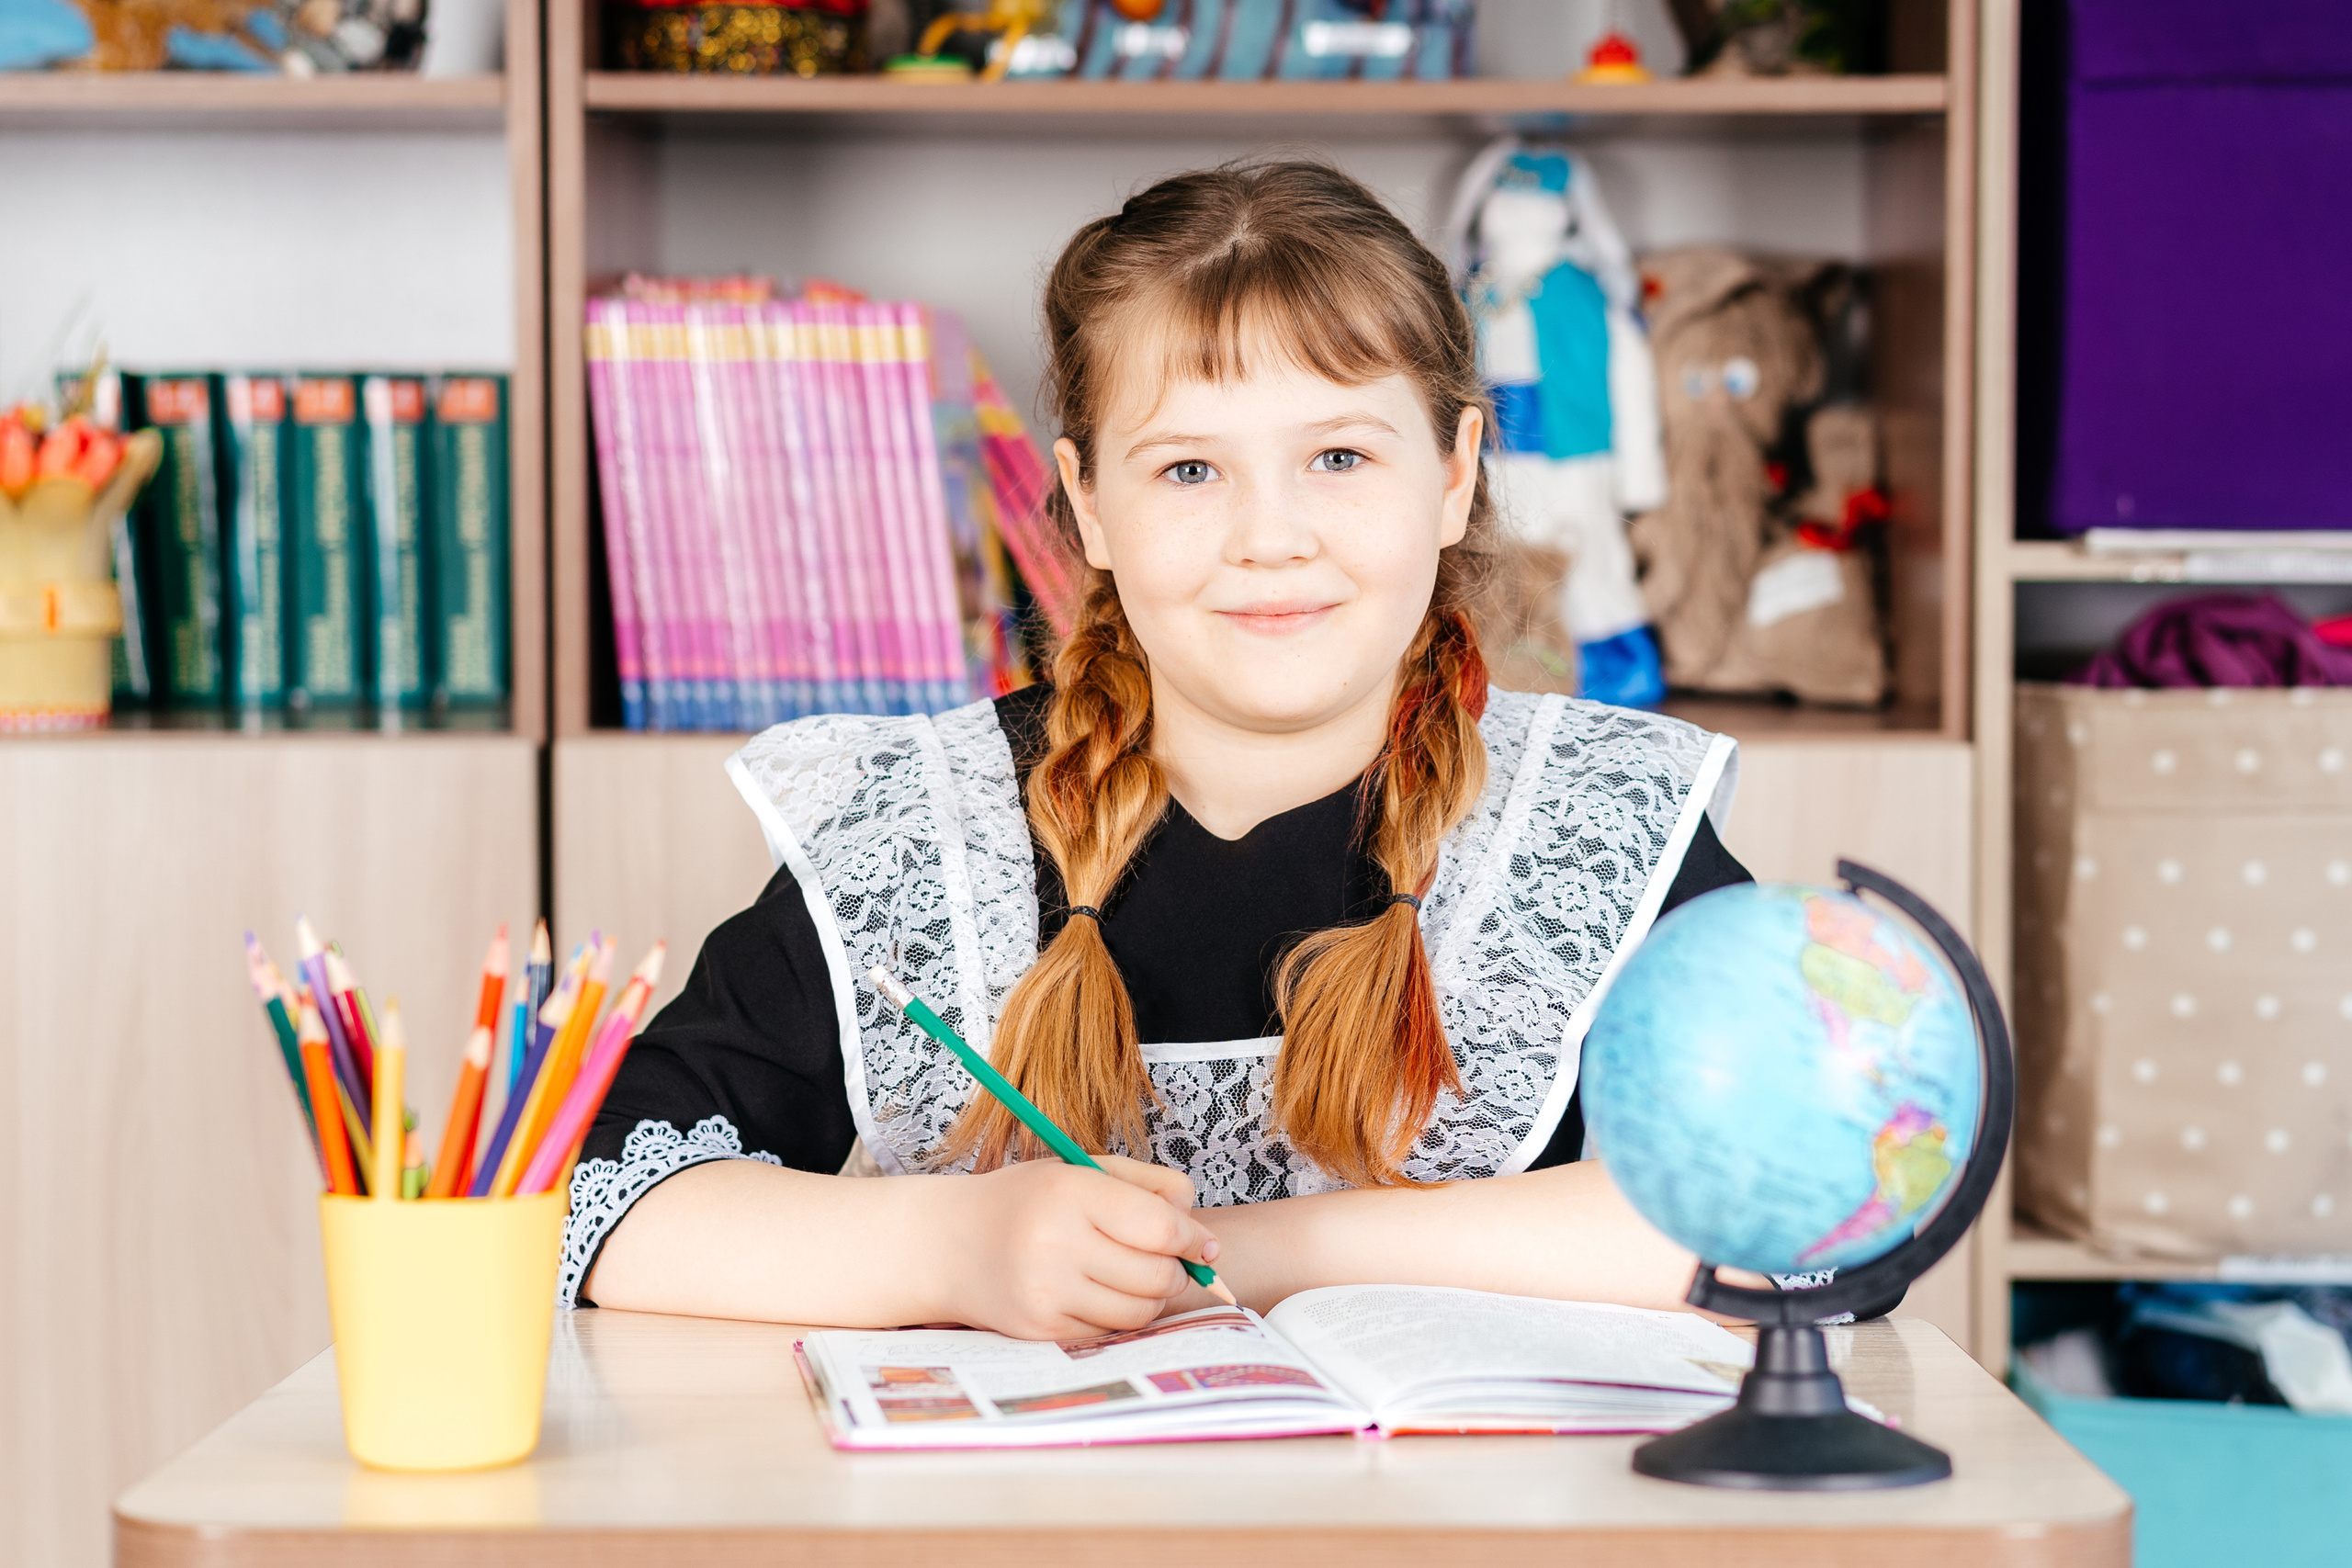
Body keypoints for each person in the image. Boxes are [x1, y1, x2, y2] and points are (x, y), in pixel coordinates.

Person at [564, 161, 1758, 1338]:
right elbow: (594, 1200)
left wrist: (1261, 1252)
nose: (1271, 538)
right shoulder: (921, 826)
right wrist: (956, 1250)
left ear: (1452, 474)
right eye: (1190, 468)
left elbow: (1797, 1225)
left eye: (1339, 457)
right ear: (1088, 504)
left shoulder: (1600, 824)